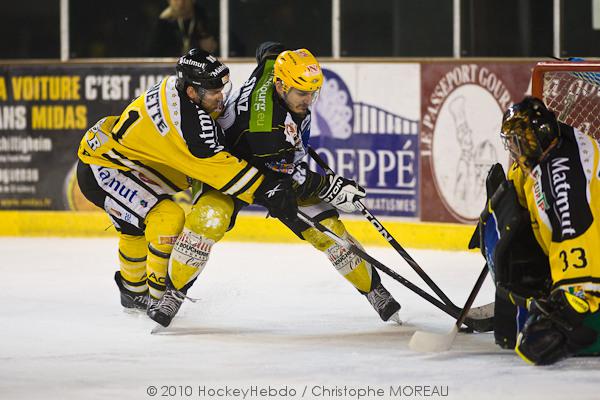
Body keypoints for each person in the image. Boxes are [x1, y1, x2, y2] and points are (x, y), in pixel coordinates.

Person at [148, 42, 401, 327]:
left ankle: (374, 291)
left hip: (272, 164)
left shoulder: (276, 67)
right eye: (301, 93)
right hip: (229, 171)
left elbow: (268, 50)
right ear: (280, 86)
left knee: (329, 232)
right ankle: (173, 293)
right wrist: (331, 187)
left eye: (312, 92)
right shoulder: (266, 131)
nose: (308, 100)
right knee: (208, 220)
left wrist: (280, 52)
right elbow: (288, 180)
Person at [77, 48, 299, 316]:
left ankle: (133, 291)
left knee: (133, 227)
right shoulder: (189, 123)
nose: (220, 96)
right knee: (167, 219)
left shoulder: (180, 92)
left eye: (222, 88)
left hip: (118, 160)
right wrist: (266, 189)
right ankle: (158, 298)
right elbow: (220, 170)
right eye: (213, 91)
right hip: (104, 168)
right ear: (192, 91)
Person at [475, 96, 600, 365]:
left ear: (538, 137)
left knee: (533, 341)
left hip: (591, 277)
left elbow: (577, 236)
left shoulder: (564, 183)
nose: (514, 149)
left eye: (518, 142)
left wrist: (570, 305)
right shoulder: (551, 147)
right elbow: (522, 183)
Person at [147, 0, 218, 57]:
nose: (181, 3)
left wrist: (212, 48)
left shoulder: (205, 20)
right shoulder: (163, 22)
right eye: (176, 0)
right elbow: (151, 55)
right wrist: (160, 24)